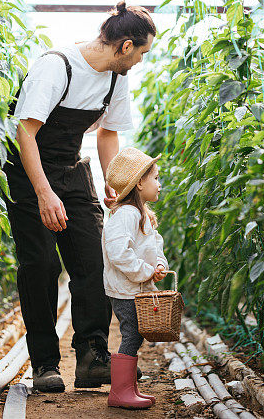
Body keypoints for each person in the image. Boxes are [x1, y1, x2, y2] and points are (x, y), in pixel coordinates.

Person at [2, 2, 157, 392]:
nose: (140, 60)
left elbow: (107, 135)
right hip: (27, 171)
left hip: (72, 169)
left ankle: (92, 357)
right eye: (141, 52)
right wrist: (43, 193)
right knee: (40, 266)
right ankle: (44, 365)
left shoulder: (114, 78)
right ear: (125, 46)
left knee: (93, 261)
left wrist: (120, 193)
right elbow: (25, 133)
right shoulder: (57, 67)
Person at [101, 147, 168, 409]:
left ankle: (128, 388)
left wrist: (159, 265)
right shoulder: (126, 215)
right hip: (126, 289)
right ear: (140, 183)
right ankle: (120, 392)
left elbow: (155, 246)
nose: (159, 184)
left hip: (136, 287)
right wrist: (145, 270)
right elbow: (118, 252)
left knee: (135, 334)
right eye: (155, 178)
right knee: (132, 334)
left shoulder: (141, 215)